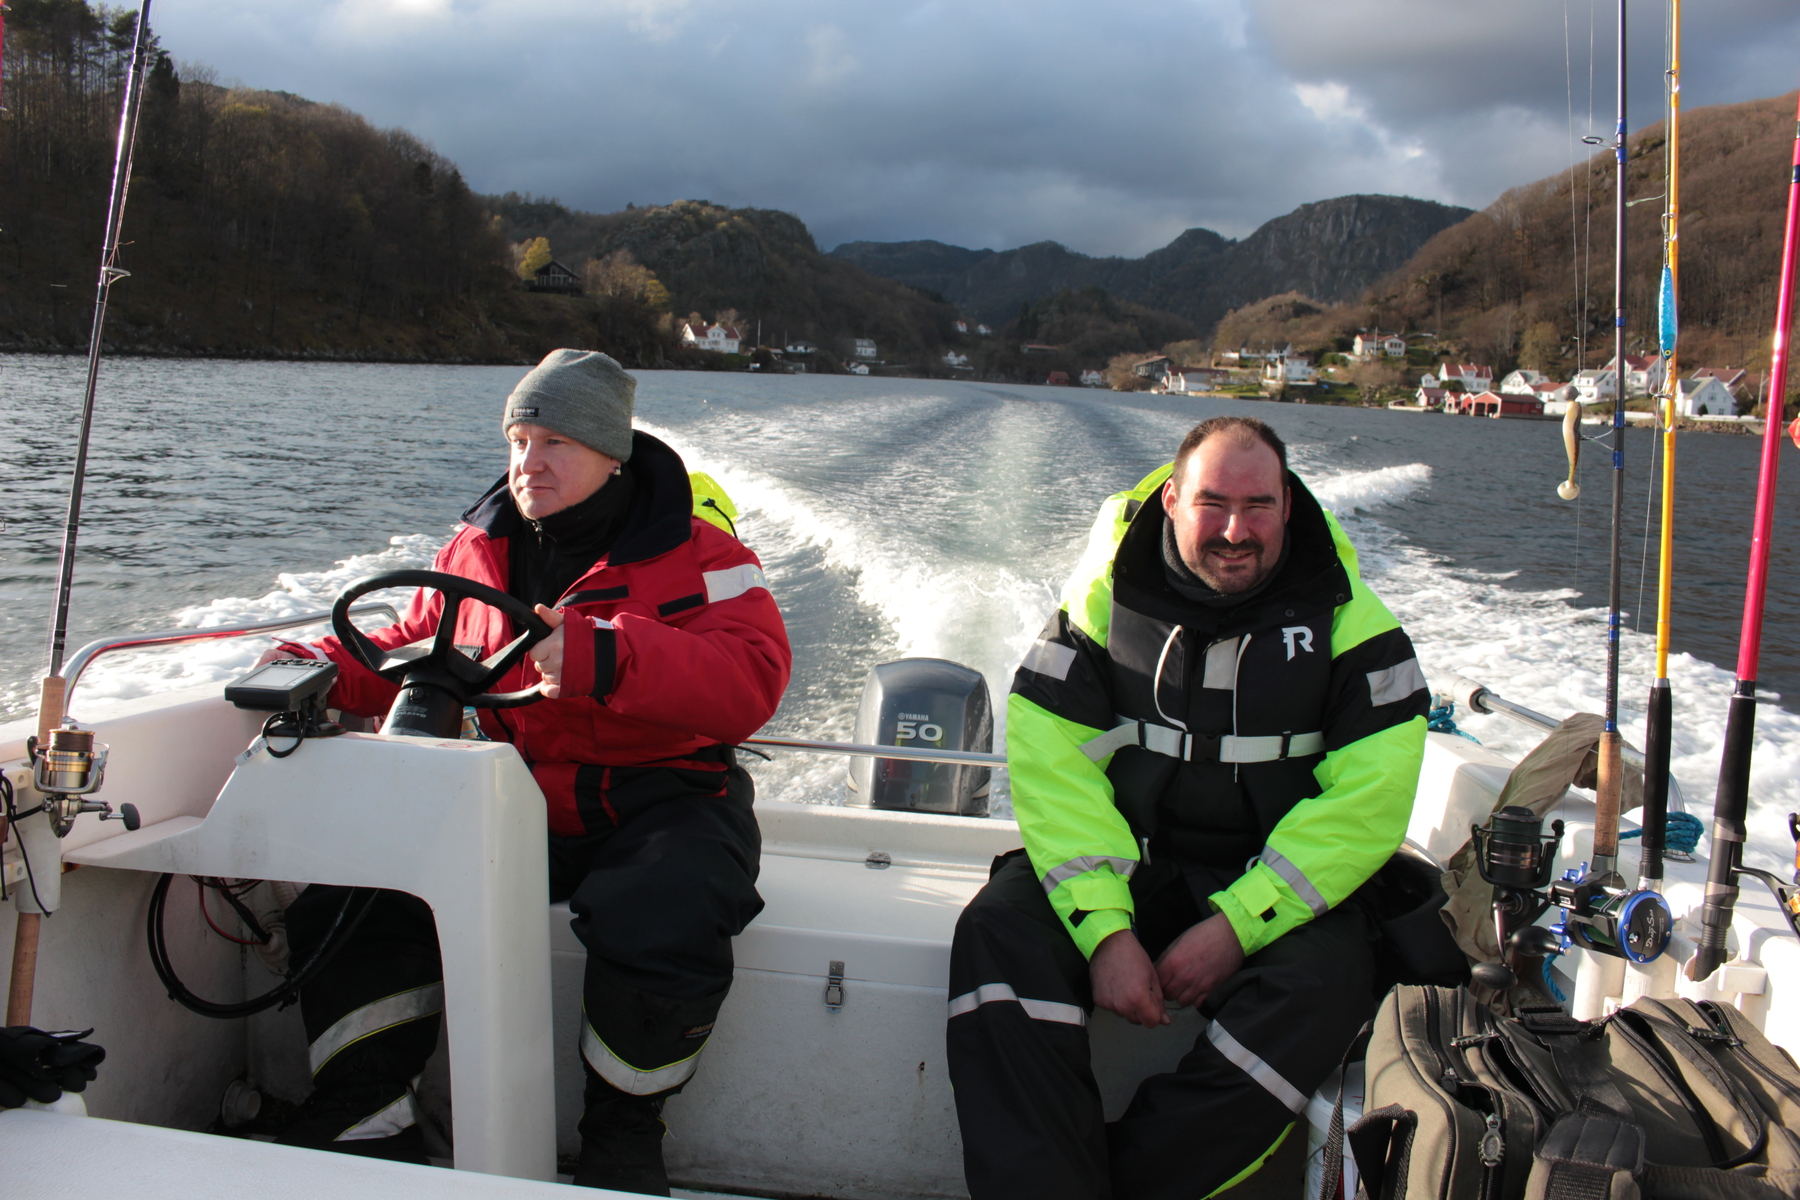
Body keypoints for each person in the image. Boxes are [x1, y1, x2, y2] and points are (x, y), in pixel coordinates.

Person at [260, 349, 791, 1194]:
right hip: (511, 794)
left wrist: (606, 655)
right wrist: (316, 666)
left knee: (668, 904)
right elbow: (417, 648)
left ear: (611, 454)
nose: (528, 462)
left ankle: (623, 1134)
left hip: (664, 797)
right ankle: (366, 1122)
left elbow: (751, 681)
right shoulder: (476, 547)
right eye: (518, 439)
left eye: (555, 443)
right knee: (356, 893)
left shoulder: (702, 555)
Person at [946, 416, 1428, 1200]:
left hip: (1275, 884)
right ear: (1170, 501)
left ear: (1288, 508)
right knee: (997, 934)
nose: (1236, 530)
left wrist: (1239, 925)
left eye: (1259, 505)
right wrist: (1105, 930)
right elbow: (1054, 767)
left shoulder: (1352, 624)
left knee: (1326, 987)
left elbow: (1368, 801)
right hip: (1127, 864)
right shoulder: (1100, 606)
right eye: (1213, 503)